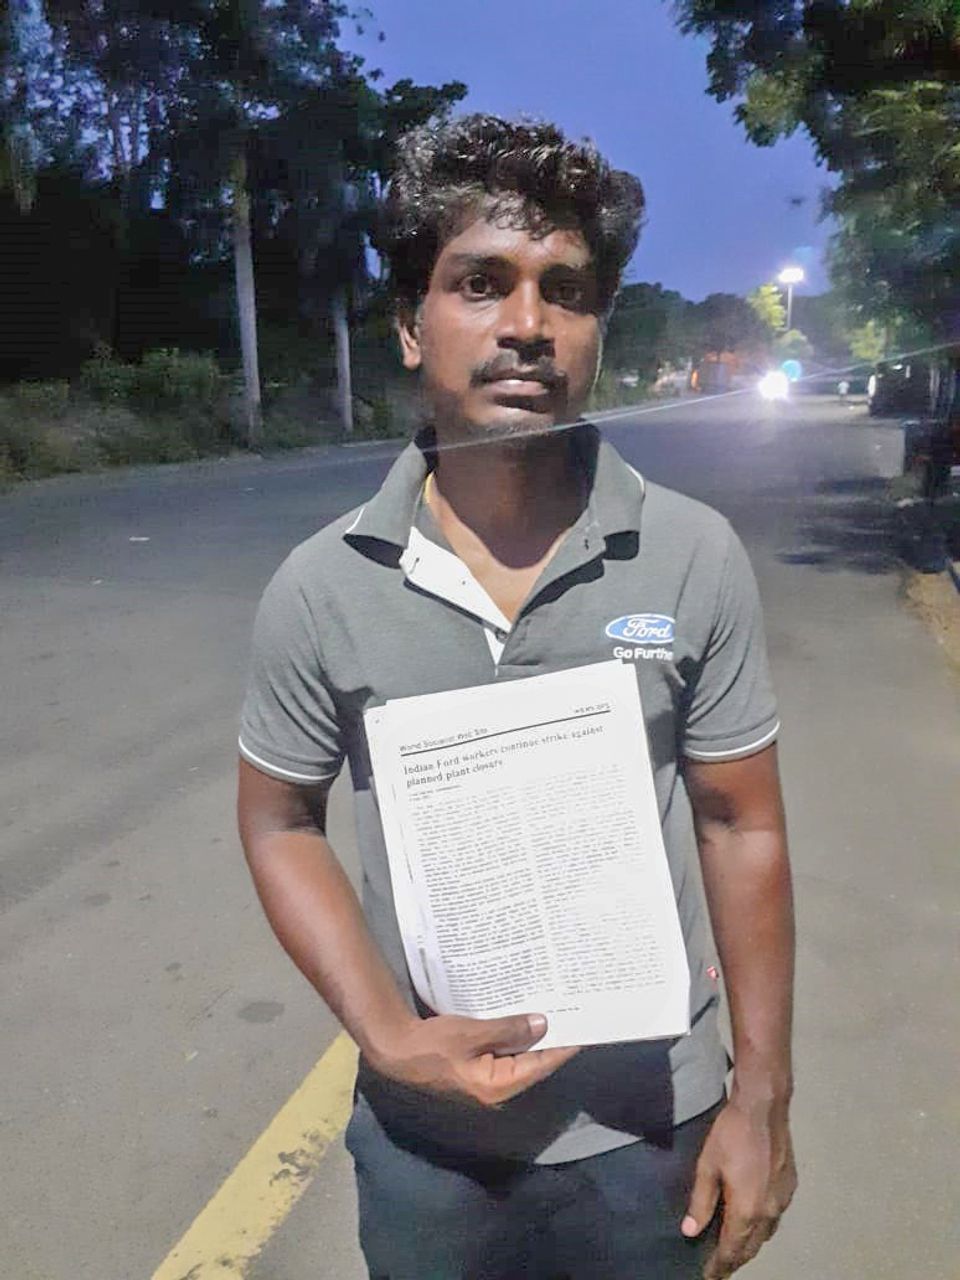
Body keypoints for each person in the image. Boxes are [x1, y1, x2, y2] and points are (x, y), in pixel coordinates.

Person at [237, 114, 796, 1279]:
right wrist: (389, 1035)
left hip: (653, 1135)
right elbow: (278, 819)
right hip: (430, 1154)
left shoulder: (690, 555)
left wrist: (761, 1101)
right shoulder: (322, 585)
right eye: (481, 283)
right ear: (410, 324)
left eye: (566, 290)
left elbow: (741, 823)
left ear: (597, 329)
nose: (528, 324)